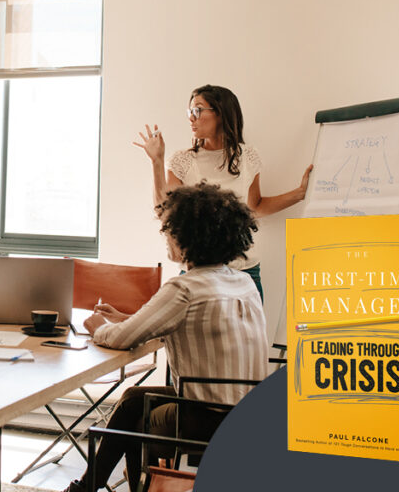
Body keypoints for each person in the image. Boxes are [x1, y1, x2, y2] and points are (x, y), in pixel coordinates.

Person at [62, 183, 268, 492]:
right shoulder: (241, 282)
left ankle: (93, 488)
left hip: (209, 418)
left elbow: (120, 339)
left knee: (136, 418)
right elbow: (194, 326)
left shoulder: (185, 288)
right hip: (252, 412)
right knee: (133, 399)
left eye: (168, 231)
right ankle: (89, 487)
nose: (166, 238)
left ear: (187, 239)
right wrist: (128, 320)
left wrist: (96, 326)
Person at [133, 84, 312, 301]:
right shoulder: (183, 161)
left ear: (220, 113)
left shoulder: (248, 157)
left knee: (250, 335)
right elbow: (166, 213)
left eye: (198, 110)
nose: (191, 117)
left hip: (245, 271)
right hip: (198, 272)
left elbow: (254, 207)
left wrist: (300, 193)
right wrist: (157, 162)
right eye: (190, 111)